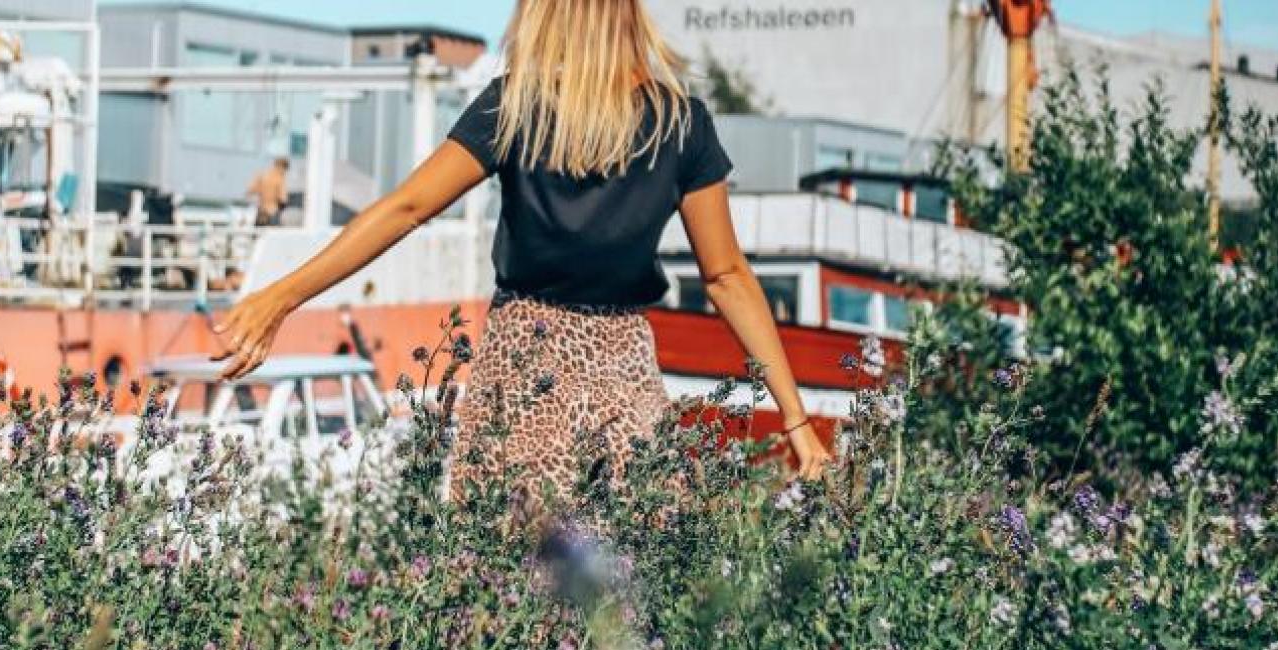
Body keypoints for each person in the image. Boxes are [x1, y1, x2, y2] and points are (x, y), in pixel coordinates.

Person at [211, 0, 830, 501]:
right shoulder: (681, 122)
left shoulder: (514, 107)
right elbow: (725, 276)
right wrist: (796, 420)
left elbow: (406, 208)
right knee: (631, 589)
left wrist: (280, 296)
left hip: (523, 364)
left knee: (513, 585)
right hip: (626, 372)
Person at [245, 158, 290, 226]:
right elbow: (283, 198)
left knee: (258, 234)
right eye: (285, 170)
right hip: (273, 211)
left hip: (261, 211)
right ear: (281, 167)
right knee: (274, 233)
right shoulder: (280, 178)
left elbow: (250, 190)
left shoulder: (262, 175)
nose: (284, 172)